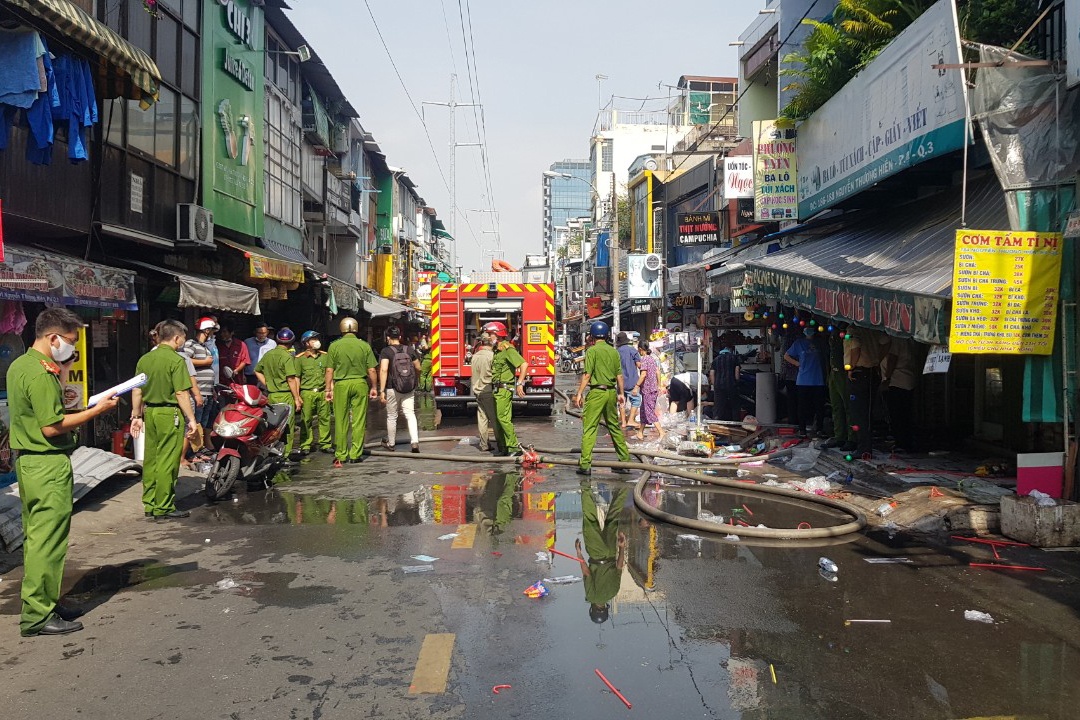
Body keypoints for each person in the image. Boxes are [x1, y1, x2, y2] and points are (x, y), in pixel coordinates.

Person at [9, 309, 120, 637]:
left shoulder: (21, 365)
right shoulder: (41, 373)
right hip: (47, 464)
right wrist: (96, 410)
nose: (71, 348)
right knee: (48, 542)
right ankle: (37, 615)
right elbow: (52, 426)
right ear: (53, 338)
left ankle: (44, 602)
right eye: (70, 341)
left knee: (37, 539)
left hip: (30, 463)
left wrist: (65, 370)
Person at [131, 319, 199, 521]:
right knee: (167, 460)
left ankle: (150, 503)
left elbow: (137, 390)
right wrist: (191, 419)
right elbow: (181, 393)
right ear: (176, 338)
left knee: (151, 459)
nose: (183, 342)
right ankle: (164, 506)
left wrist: (136, 415)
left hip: (150, 412)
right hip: (169, 414)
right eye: (183, 338)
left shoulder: (144, 359)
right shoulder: (176, 360)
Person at [573, 321, 632, 476]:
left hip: (597, 393)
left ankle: (585, 464)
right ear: (607, 335)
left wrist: (579, 393)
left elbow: (587, 375)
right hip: (611, 392)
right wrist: (621, 393)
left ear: (592, 336)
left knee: (590, 427)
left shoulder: (592, 351)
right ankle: (625, 461)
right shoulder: (614, 352)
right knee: (614, 426)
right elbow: (619, 376)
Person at [325, 316, 378, 467]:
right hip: (360, 383)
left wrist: (328, 389)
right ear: (356, 328)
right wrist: (374, 387)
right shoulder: (364, 346)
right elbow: (372, 369)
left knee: (341, 420)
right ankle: (355, 454)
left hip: (341, 385)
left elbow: (329, 370)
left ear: (341, 328)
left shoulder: (334, 346)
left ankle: (341, 454)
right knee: (358, 420)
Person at [575, 482, 627, 624]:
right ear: (593, 609)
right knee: (590, 519)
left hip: (611, 552)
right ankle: (585, 484)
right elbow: (587, 573)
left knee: (613, 517)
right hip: (596, 554)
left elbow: (619, 566)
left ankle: (624, 485)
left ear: (605, 608)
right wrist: (579, 554)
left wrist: (622, 547)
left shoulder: (613, 592)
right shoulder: (592, 597)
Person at [255, 327, 303, 458]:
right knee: (287, 426)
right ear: (291, 343)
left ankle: (272, 452)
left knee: (272, 426)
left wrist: (267, 383)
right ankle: (285, 454)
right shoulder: (287, 357)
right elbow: (291, 379)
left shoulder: (268, 354)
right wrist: (297, 398)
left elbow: (257, 370)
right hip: (285, 395)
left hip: (271, 396)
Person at [845, 327, 891, 458]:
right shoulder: (873, 327)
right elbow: (887, 342)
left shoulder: (853, 329)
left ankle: (863, 448)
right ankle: (864, 446)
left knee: (859, 413)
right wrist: (877, 359)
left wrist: (851, 367)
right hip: (872, 372)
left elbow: (856, 348)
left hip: (859, 372)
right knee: (867, 411)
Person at [486, 321, 528, 457]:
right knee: (498, 419)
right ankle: (504, 447)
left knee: (503, 418)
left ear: (497, 335)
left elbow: (524, 364)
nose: (488, 337)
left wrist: (520, 383)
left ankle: (514, 447)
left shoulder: (508, 349)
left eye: (490, 334)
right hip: (497, 389)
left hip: (504, 390)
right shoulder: (497, 350)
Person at [378, 326, 422, 453]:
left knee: (392, 416)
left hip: (392, 388)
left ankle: (391, 443)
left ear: (388, 337)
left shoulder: (386, 351)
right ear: (400, 337)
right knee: (410, 414)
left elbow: (384, 370)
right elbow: (418, 367)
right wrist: (415, 379)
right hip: (408, 388)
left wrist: (382, 390)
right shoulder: (409, 349)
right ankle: (414, 442)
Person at [181, 317, 217, 464]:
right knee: (193, 425)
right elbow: (184, 360)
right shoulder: (191, 344)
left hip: (207, 392)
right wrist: (204, 362)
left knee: (201, 424)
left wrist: (213, 390)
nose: (213, 334)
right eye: (212, 331)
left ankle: (196, 451)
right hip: (198, 392)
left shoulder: (206, 347)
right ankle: (188, 454)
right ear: (206, 330)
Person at [784, 326, 827, 438]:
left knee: (819, 406)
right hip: (803, 380)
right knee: (802, 406)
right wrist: (797, 363)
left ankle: (819, 429)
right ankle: (802, 429)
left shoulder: (820, 342)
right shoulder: (799, 343)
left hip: (818, 379)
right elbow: (786, 356)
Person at [295, 331, 332, 455]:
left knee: (325, 418)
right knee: (306, 420)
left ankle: (325, 444)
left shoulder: (324, 356)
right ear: (306, 343)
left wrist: (330, 390)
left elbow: (329, 374)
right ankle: (306, 444)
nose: (316, 341)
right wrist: (297, 396)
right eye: (313, 339)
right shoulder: (300, 359)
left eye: (317, 339)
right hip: (307, 393)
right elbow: (297, 378)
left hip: (322, 391)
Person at [882, 337, 919, 452]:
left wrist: (887, 377)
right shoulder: (910, 339)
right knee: (905, 413)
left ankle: (901, 442)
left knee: (897, 414)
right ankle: (904, 441)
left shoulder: (897, 339)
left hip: (897, 380)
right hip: (908, 378)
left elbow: (893, 358)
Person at [823, 323, 856, 451]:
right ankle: (839, 436)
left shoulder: (847, 333)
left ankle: (852, 438)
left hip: (844, 372)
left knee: (848, 406)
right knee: (836, 406)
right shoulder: (832, 333)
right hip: (834, 372)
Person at [470, 335, 497, 451]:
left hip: (477, 390)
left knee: (482, 418)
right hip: (488, 390)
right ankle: (502, 444)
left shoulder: (475, 356)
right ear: (491, 343)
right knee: (495, 418)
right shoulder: (492, 356)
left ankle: (484, 444)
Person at [635, 341, 665, 442]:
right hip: (652, 388)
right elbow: (658, 372)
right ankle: (640, 432)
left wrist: (636, 386)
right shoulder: (652, 359)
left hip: (648, 389)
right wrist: (659, 385)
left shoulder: (644, 359)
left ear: (640, 349)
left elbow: (643, 374)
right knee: (644, 411)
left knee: (649, 412)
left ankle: (661, 432)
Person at [709, 339, 741, 422]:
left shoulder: (715, 360)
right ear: (730, 349)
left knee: (718, 405)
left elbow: (712, 374)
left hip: (719, 385)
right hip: (731, 384)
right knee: (734, 405)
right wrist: (737, 381)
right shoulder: (734, 358)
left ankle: (716, 422)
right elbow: (737, 371)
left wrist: (715, 385)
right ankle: (736, 422)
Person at [616, 332, 642, 432]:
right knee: (636, 400)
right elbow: (639, 365)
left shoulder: (616, 352)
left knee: (621, 401)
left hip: (620, 382)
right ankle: (631, 420)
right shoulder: (632, 350)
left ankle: (623, 422)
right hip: (632, 381)